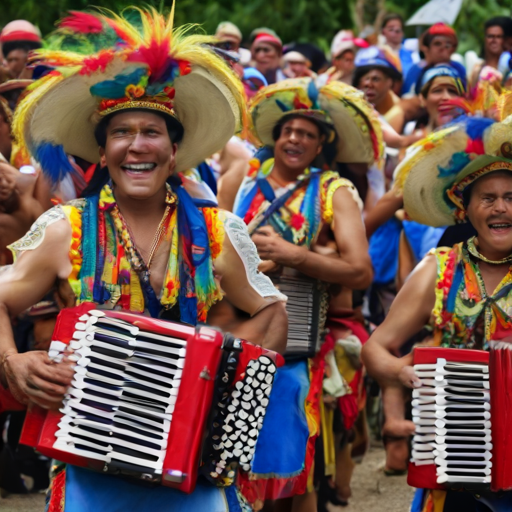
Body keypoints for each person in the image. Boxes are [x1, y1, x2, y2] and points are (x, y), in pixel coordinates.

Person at [0, 9, 288, 512]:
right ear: (103, 151)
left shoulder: (218, 231)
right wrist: (11, 362)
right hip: (89, 459)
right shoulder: (63, 229)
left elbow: (271, 311)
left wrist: (223, 375)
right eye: (122, 133)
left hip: (192, 461)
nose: (137, 145)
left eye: (152, 131)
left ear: (173, 151)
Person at [232, 77, 381, 511]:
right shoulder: (239, 184)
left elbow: (359, 272)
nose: (295, 138)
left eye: (308, 134)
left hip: (299, 353)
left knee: (295, 474)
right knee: (233, 469)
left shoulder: (335, 192)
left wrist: (295, 256)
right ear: (275, 139)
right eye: (288, 131)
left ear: (320, 147)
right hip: (237, 346)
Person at [362, 110, 512, 511]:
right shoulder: (440, 268)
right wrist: (401, 372)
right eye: (489, 198)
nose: (501, 208)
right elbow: (376, 348)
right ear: (466, 209)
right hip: (455, 455)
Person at [402, 23, 465, 97]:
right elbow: (407, 97)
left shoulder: (458, 68)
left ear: (453, 48)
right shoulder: (417, 69)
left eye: (448, 44)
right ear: (425, 48)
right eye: (437, 44)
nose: (443, 47)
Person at [353, 46, 404, 132]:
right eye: (364, 79)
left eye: (376, 79)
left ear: (390, 82)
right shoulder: (351, 112)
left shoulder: (402, 113)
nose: (368, 84)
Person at [469, 17, 512, 89]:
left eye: (498, 36)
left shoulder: (508, 66)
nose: (494, 40)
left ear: (506, 40)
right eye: (490, 36)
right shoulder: (477, 68)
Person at [380, 13, 416, 77]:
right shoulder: (376, 53)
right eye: (391, 29)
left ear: (402, 33)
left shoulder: (411, 55)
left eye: (398, 29)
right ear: (383, 31)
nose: (395, 31)